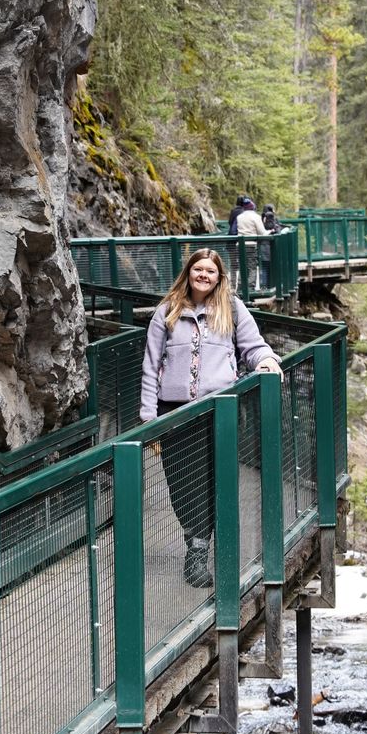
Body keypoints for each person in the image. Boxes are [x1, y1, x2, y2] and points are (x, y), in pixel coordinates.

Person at [140, 249, 281, 586]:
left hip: (221, 409)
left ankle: (202, 552)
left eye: (211, 271)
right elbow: (150, 365)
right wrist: (148, 416)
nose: (204, 275)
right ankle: (196, 544)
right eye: (198, 269)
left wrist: (267, 360)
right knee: (182, 484)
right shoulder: (167, 312)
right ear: (189, 272)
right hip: (175, 413)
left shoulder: (231, 308)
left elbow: (253, 346)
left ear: (219, 277)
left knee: (216, 480)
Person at [233, 195, 268, 291]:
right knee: (252, 266)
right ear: (252, 207)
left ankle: (240, 287)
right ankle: (250, 288)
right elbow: (262, 232)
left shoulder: (239, 217)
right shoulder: (256, 217)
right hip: (251, 245)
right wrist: (271, 231)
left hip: (239, 245)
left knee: (242, 266)